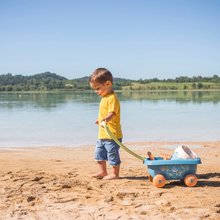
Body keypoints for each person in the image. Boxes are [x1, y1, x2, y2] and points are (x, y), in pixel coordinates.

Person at [89, 67, 123, 180]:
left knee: (112, 154)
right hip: (102, 134)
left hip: (112, 135)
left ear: (108, 83)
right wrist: (99, 120)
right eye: (95, 89)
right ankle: (102, 172)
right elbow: (103, 113)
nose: (96, 92)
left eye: (98, 88)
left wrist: (105, 119)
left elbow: (112, 113)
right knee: (99, 154)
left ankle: (115, 174)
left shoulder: (112, 98)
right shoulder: (104, 97)